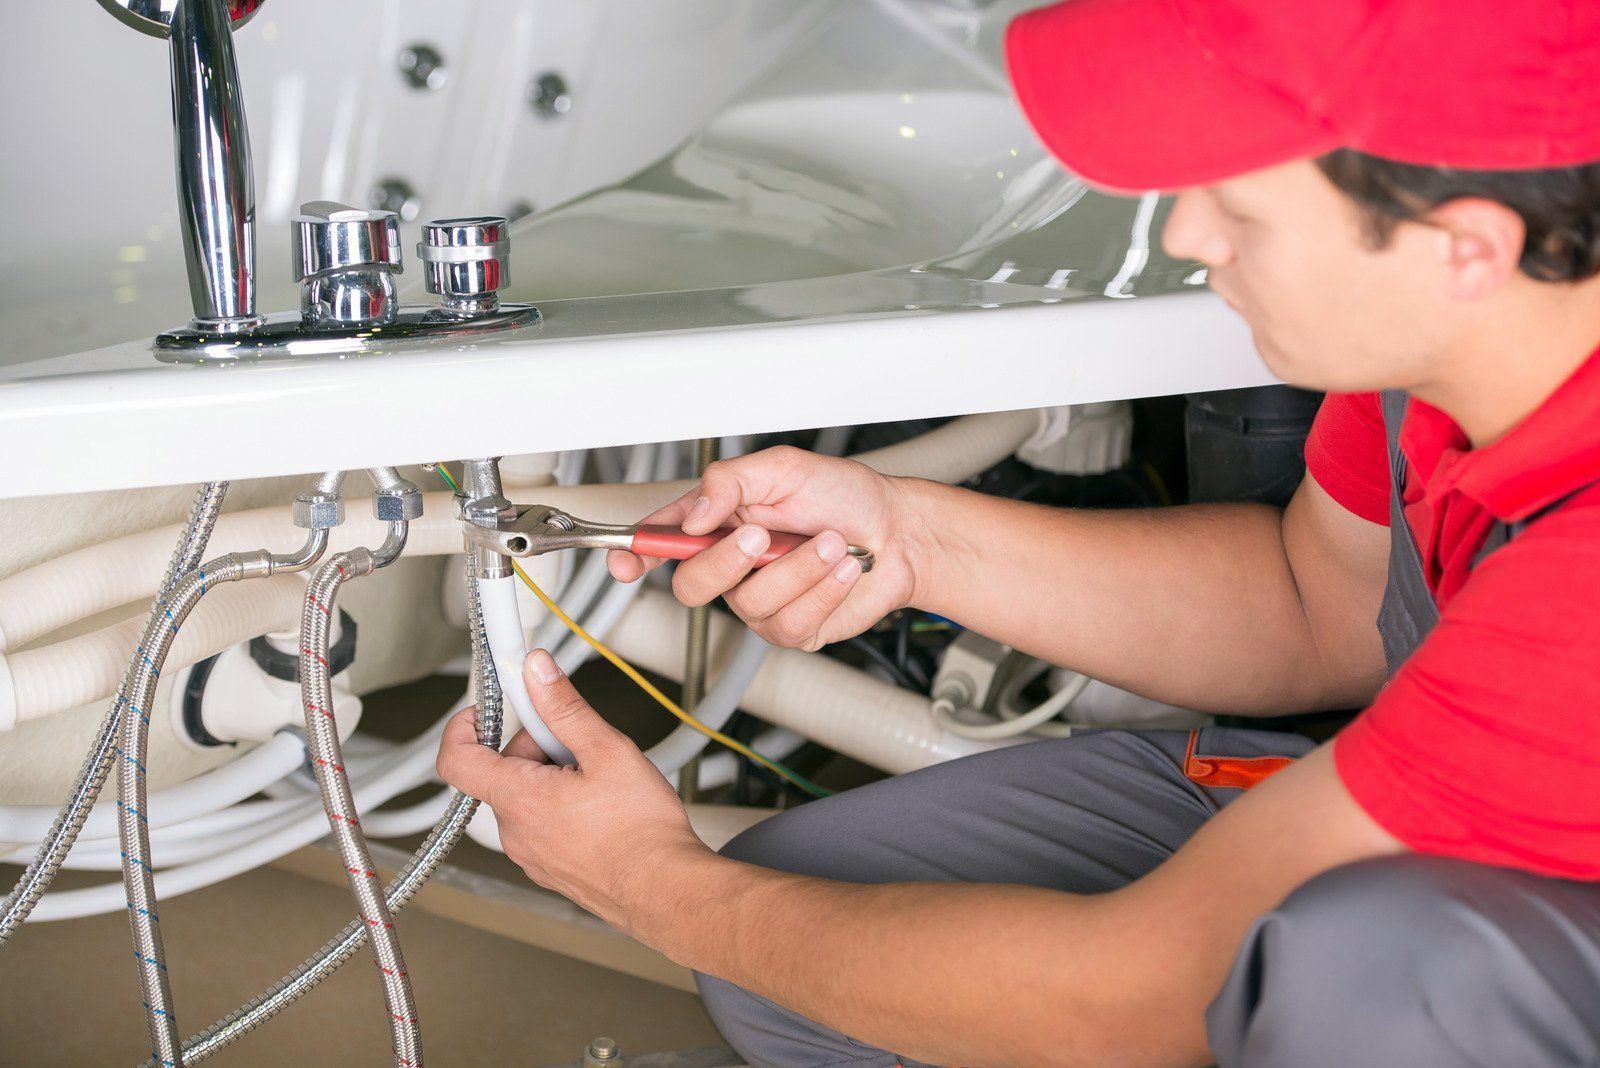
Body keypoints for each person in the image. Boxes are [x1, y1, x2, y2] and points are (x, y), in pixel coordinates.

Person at [437, 0, 1600, 1063]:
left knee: (1377, 970)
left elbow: (1138, 995)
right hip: (1489, 806)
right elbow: (1322, 603)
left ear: (1466, 246)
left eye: (1240, 203)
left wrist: (652, 883)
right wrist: (907, 537)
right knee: (815, 918)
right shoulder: (1455, 355)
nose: (1191, 233)